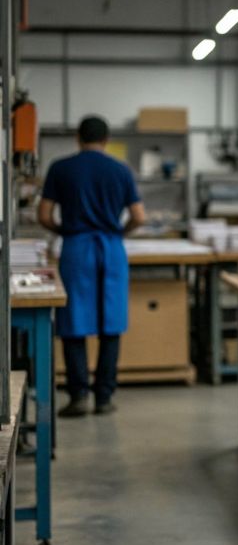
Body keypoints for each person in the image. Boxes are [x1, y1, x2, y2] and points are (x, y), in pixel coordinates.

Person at [37, 115, 146, 417]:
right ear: (107, 139)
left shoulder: (61, 168)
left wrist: (66, 231)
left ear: (78, 138)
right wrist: (117, 233)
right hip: (111, 248)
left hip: (76, 247)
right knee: (110, 323)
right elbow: (139, 216)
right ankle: (104, 397)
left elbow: (43, 214)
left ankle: (78, 396)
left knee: (74, 322)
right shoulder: (121, 170)